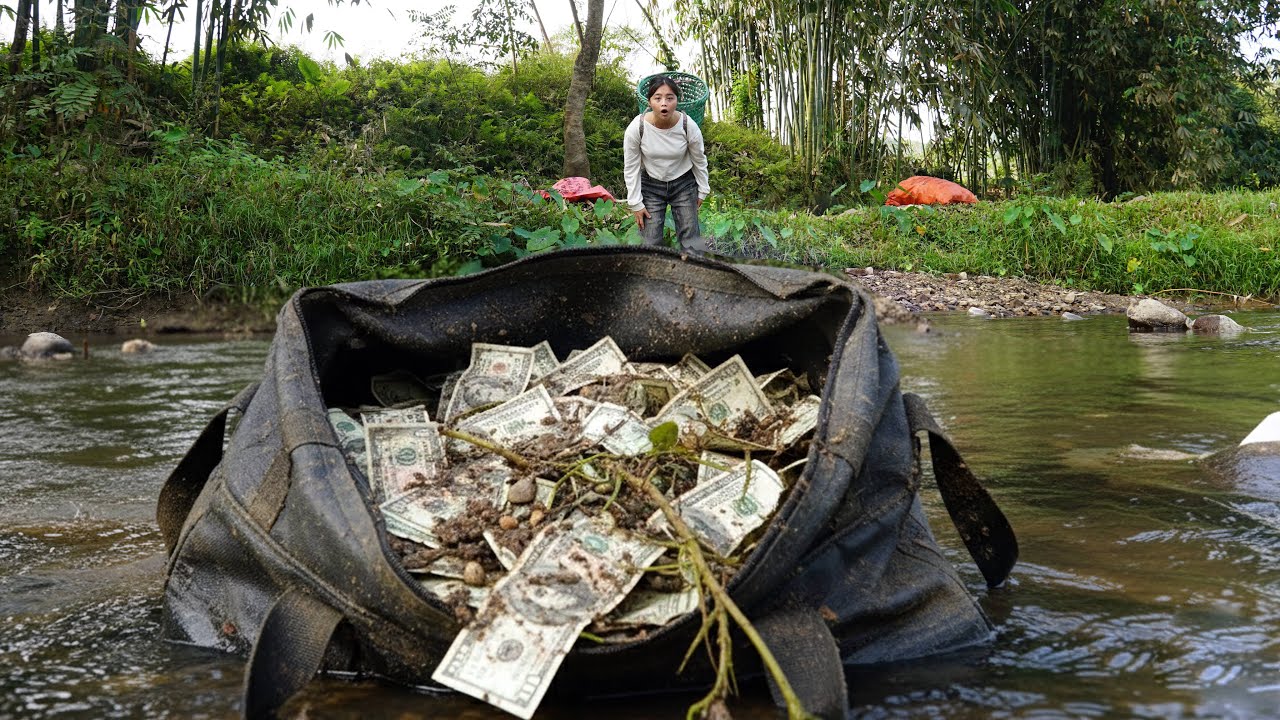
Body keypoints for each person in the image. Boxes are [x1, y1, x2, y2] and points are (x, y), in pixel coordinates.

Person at [623, 75, 710, 254]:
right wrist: (636, 203)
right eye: (658, 98)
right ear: (649, 102)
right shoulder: (636, 128)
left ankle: (693, 271)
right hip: (651, 185)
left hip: (683, 184)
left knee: (691, 241)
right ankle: (654, 272)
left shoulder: (688, 125)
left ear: (677, 101)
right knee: (650, 241)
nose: (664, 103)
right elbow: (631, 168)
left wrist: (703, 189)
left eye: (670, 98)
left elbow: (699, 159)